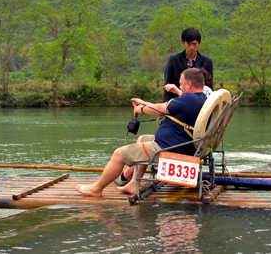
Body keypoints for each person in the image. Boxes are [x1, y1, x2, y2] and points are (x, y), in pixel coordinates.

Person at [76, 68, 208, 198]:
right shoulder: (201, 99)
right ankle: (134, 183)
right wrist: (144, 103)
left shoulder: (188, 99)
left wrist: (141, 108)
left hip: (168, 148)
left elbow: (159, 110)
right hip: (182, 145)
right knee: (142, 139)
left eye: (181, 84)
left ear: (189, 84)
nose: (180, 87)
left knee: (118, 154)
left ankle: (96, 189)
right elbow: (167, 108)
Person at [163, 28, 213, 102]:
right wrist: (166, 107)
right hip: (177, 104)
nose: (192, 47)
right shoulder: (174, 60)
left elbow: (209, 87)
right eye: (189, 44)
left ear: (199, 43)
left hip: (199, 104)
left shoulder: (207, 62)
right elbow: (168, 85)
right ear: (183, 42)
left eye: (194, 44)